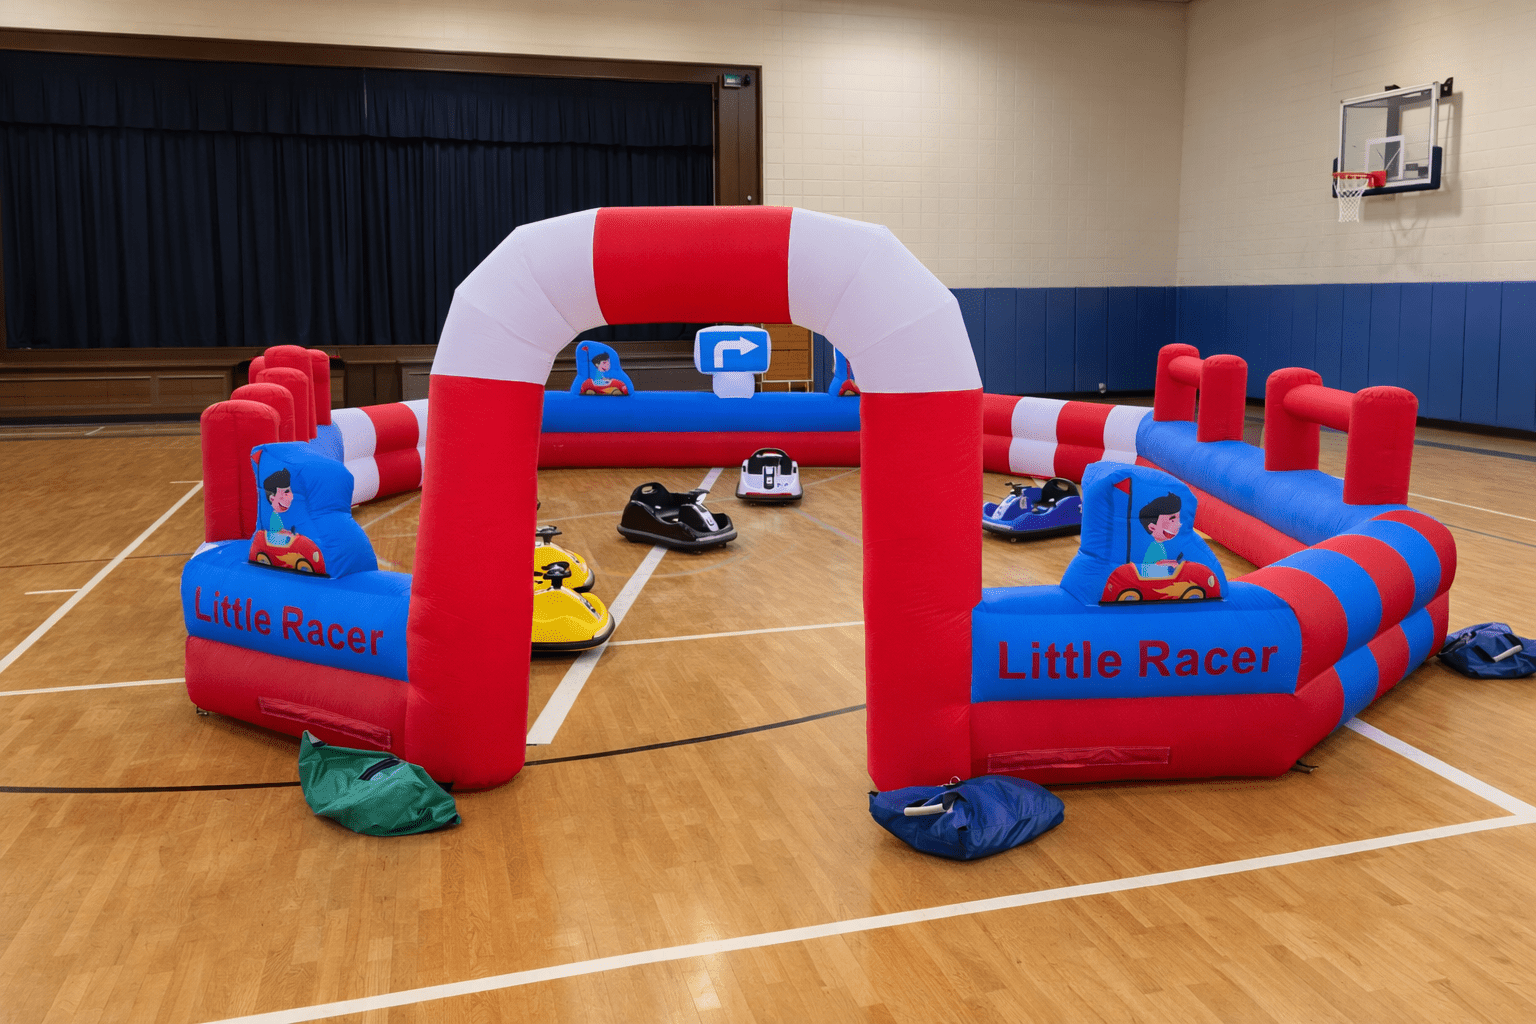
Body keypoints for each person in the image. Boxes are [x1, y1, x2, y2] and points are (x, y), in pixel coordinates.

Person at [1137, 493, 1182, 576]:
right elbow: (1152, 568)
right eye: (1172, 520)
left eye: (1178, 520)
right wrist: (1169, 564)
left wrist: (1170, 562)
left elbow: (1159, 562)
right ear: (1152, 527)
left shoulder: (1158, 546)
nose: (1179, 524)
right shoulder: (1155, 548)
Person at [263, 468, 296, 545]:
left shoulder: (276, 515)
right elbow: (275, 532)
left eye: (289, 491)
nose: (291, 496)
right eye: (286, 492)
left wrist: (287, 532)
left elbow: (280, 529)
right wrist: (287, 534)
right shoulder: (273, 516)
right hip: (274, 539)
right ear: (272, 498)